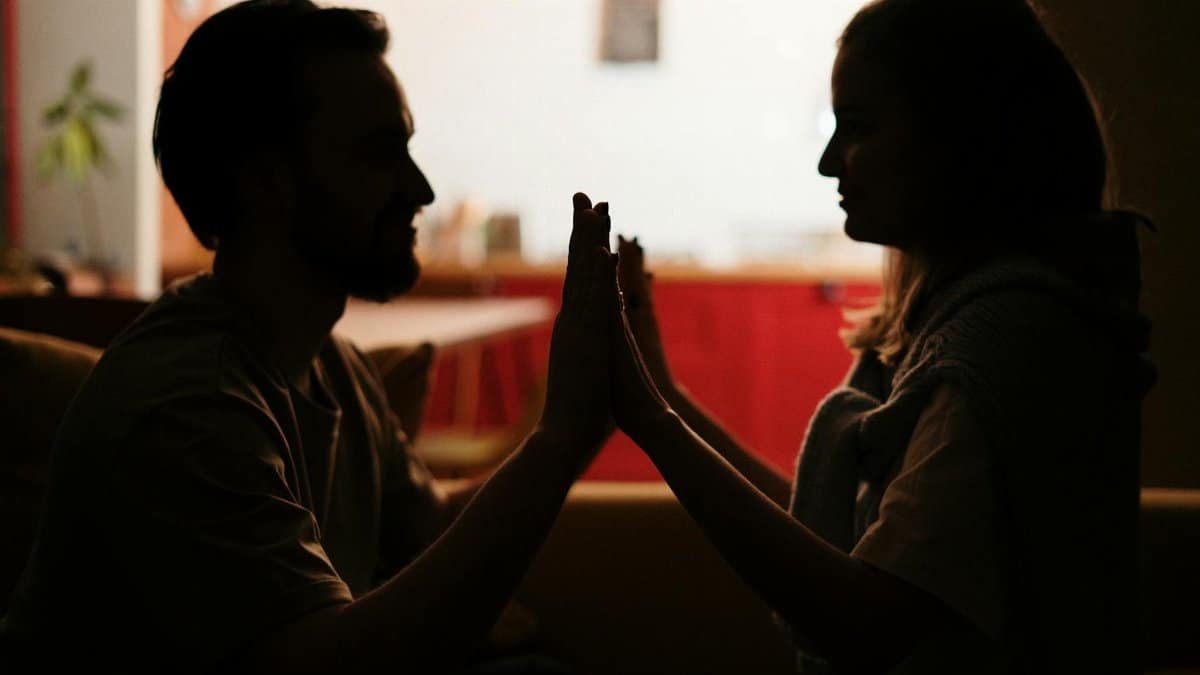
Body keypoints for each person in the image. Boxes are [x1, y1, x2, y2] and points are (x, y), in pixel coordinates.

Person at [0, 1, 619, 672]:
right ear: (268, 181)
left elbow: (429, 528)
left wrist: (571, 430)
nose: (423, 189)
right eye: (381, 153)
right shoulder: (187, 402)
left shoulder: (331, 363)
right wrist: (555, 441)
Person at [606, 0, 1154, 672]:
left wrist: (653, 418)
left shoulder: (1002, 343)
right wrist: (665, 397)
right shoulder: (955, 321)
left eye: (857, 128)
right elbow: (833, 538)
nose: (829, 162)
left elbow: (867, 620)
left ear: (963, 140)